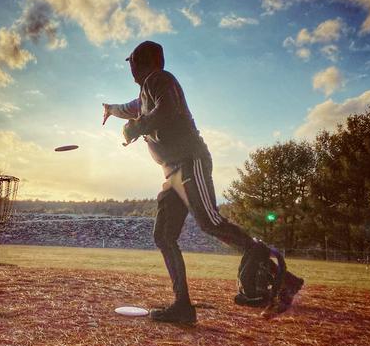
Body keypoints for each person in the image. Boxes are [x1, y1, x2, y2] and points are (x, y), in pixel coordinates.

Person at [102, 41, 269, 325]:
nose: (129, 67)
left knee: (209, 222)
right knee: (163, 235)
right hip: (173, 173)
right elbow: (127, 108)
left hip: (191, 161)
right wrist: (109, 109)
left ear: (141, 62)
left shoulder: (160, 80)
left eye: (131, 61)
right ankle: (182, 306)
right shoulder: (144, 94)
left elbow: (167, 111)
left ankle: (256, 252)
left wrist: (136, 127)